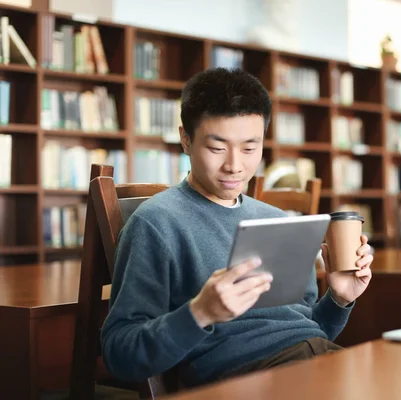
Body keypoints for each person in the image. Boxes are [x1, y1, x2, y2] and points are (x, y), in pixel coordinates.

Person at [100, 68, 374, 388]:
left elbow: (306, 330)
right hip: (244, 381)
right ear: (185, 140)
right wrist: (199, 313)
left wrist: (339, 300)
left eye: (249, 148)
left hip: (315, 362)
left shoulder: (276, 220)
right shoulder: (156, 223)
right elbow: (119, 353)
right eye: (217, 148)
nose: (235, 165)